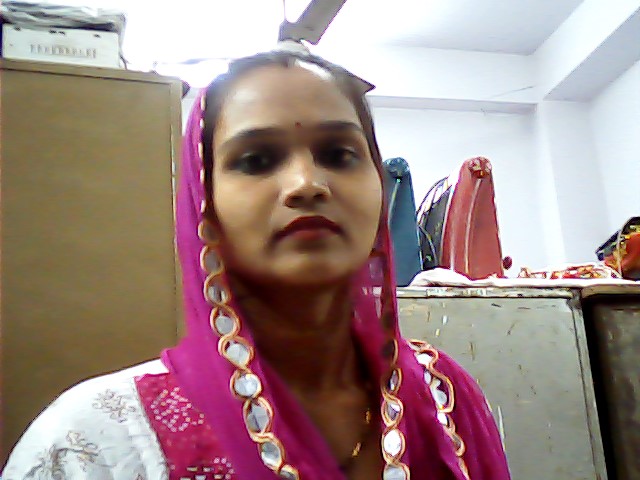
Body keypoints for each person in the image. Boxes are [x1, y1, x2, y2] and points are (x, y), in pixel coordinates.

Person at [3, 49, 511, 480]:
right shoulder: (96, 439)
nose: (306, 184)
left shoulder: (444, 394)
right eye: (256, 160)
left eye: (339, 153)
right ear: (205, 205)